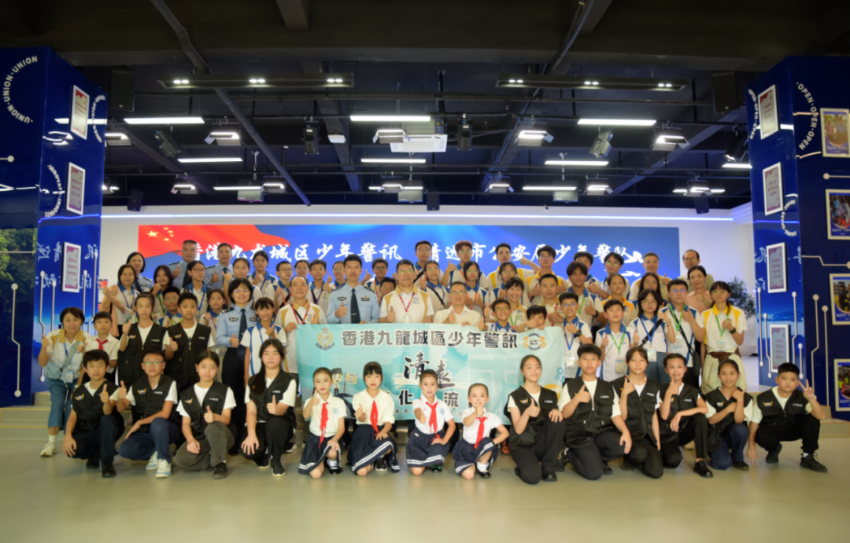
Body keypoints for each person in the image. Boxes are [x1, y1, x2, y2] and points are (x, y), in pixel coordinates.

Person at [558, 344, 630, 480]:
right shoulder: (570, 385)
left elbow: (615, 413)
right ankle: (568, 453)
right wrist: (576, 399)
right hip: (579, 435)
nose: (589, 362)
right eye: (585, 359)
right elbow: (563, 414)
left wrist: (625, 431)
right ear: (579, 363)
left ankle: (598, 459)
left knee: (623, 444)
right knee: (594, 474)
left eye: (593, 359)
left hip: (602, 432)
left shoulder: (608, 387)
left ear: (599, 363)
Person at [747, 363, 827, 473]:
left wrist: (811, 399)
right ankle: (773, 449)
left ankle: (807, 457)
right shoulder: (763, 398)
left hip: (793, 429)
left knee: (812, 419)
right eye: (784, 378)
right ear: (777, 380)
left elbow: (821, 416)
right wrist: (751, 447)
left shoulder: (803, 397)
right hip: (772, 429)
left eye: (792, 379)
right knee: (760, 435)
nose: (788, 382)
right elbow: (754, 423)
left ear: (798, 383)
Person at [114, 348, 182, 479]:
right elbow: (120, 408)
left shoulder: (170, 383)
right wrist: (120, 397)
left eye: (156, 362)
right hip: (145, 433)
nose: (152, 366)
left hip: (167, 430)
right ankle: (156, 451)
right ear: (142, 365)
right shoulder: (137, 385)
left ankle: (164, 460)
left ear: (163, 365)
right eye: (148, 362)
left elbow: (165, 413)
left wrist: (139, 422)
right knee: (124, 450)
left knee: (158, 422)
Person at [173, 351, 237, 479]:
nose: (207, 371)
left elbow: (227, 419)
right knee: (180, 459)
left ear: (217, 369)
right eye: (203, 366)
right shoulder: (187, 394)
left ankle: (220, 463)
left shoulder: (225, 390)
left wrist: (215, 417)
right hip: (201, 438)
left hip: (223, 434)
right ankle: (212, 458)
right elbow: (185, 423)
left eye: (212, 367)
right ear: (196, 368)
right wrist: (191, 440)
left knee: (213, 426)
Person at [38, 307, 91, 457]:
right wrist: (43, 347)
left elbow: (86, 365)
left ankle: (69, 439)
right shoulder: (53, 336)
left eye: (76, 319)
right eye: (68, 320)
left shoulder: (87, 338)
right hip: (56, 377)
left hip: (76, 377)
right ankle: (51, 443)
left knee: (72, 406)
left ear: (81, 320)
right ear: (62, 321)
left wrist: (79, 384)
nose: (72, 323)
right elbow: (42, 363)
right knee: (57, 403)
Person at [61, 351, 124, 477]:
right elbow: (73, 415)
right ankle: (94, 454)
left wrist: (106, 401)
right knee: (73, 449)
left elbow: (107, 411)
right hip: (88, 429)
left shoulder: (113, 388)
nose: (96, 369)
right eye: (91, 366)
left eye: (100, 365)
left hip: (108, 428)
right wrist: (67, 436)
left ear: (107, 367)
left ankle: (106, 462)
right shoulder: (78, 391)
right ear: (85, 369)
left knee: (107, 419)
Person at [240, 339, 297, 476]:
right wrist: (252, 435)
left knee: (275, 422)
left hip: (281, 424)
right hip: (259, 423)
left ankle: (275, 460)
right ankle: (263, 453)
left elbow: (283, 409)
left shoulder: (289, 381)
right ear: (261, 356)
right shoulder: (253, 381)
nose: (270, 357)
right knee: (249, 450)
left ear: (281, 357)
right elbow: (251, 412)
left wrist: (276, 409)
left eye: (275, 353)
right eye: (266, 353)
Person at [507, 355, 565, 484]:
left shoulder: (550, 394)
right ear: (522, 371)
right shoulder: (515, 396)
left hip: (541, 444)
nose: (534, 371)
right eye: (529, 367)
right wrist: (526, 413)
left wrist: (556, 410)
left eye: (537, 367)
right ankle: (523, 467)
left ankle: (548, 467)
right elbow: (518, 429)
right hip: (522, 445)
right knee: (533, 477)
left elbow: (553, 426)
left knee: (558, 420)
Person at [215, 278, 259, 448]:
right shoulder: (225, 314)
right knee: (232, 397)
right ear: (231, 294)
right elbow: (218, 338)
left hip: (253, 358)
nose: (242, 294)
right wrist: (228, 341)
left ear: (250, 293)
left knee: (250, 397)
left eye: (245, 290)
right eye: (237, 291)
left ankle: (249, 436)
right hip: (232, 358)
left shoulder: (256, 312)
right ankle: (233, 440)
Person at [657, 353, 713, 478]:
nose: (676, 371)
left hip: (684, 433)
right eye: (671, 367)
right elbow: (664, 416)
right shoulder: (660, 390)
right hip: (667, 435)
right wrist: (668, 394)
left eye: (679, 367)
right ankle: (661, 453)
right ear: (666, 370)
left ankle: (700, 461)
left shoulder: (692, 390)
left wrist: (680, 413)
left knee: (700, 418)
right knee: (673, 461)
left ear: (685, 369)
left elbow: (704, 409)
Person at [612, 347, 663, 478]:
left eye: (642, 360)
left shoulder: (654, 386)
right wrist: (624, 395)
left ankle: (641, 458)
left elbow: (654, 416)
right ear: (627, 362)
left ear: (647, 362)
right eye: (633, 360)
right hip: (626, 433)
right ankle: (631, 458)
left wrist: (657, 441)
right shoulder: (616, 385)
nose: (638, 364)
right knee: (639, 453)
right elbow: (621, 416)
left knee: (656, 472)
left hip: (646, 434)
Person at [349, 362, 400, 475]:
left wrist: (384, 431)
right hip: (363, 432)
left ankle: (380, 458)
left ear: (381, 378)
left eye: (376, 376)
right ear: (364, 378)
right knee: (362, 472)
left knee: (388, 446)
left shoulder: (387, 398)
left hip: (380, 429)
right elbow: (362, 419)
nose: (373, 380)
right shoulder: (358, 397)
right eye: (369, 377)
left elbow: (389, 422)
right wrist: (359, 414)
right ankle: (371, 460)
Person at [453, 383, 508, 479]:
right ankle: (471, 464)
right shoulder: (467, 412)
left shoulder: (491, 416)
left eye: (482, 396)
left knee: (487, 442)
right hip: (467, 449)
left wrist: (491, 443)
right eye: (474, 396)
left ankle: (482, 465)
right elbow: (467, 422)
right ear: (469, 399)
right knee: (469, 475)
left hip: (483, 448)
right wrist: (475, 413)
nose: (478, 399)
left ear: (487, 398)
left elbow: (505, 433)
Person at [299, 368, 347, 477]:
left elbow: (341, 427)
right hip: (315, 439)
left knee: (332, 452)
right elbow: (305, 416)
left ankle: (331, 460)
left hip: (332, 437)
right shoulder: (310, 401)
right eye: (318, 381)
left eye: (325, 380)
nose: (322, 384)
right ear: (314, 384)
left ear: (331, 381)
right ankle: (321, 459)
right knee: (316, 474)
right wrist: (311, 403)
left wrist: (335, 439)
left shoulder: (339, 402)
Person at [700, 281, 747, 394]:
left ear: (728, 294)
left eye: (722, 291)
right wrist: (703, 363)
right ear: (710, 295)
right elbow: (703, 342)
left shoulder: (738, 313)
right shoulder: (705, 314)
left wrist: (731, 328)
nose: (719, 294)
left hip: (732, 357)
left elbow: (740, 341)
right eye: (715, 291)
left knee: (735, 393)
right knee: (710, 393)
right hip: (711, 358)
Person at [704, 360, 751, 471]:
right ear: (719, 375)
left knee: (741, 429)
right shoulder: (711, 396)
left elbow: (739, 421)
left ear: (738, 375)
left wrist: (740, 400)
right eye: (724, 373)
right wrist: (728, 409)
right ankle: (719, 453)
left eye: (732, 373)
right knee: (722, 464)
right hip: (716, 436)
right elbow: (711, 421)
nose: (728, 377)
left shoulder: (746, 398)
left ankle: (737, 457)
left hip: (732, 434)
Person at [408, 369, 456, 475]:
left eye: (432, 384)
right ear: (420, 385)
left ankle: (433, 461)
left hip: (435, 437)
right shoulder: (418, 402)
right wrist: (420, 416)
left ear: (437, 385)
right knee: (417, 472)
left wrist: (444, 440)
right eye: (426, 384)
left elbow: (452, 425)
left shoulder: (442, 405)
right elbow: (417, 410)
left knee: (439, 446)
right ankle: (425, 460)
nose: (429, 388)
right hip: (420, 438)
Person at [660, 279, 706, 388]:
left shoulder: (693, 312)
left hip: (688, 362)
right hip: (668, 363)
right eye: (675, 290)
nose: (679, 293)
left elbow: (701, 338)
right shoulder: (662, 313)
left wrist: (691, 319)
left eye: (682, 290)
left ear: (686, 293)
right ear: (669, 294)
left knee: (690, 397)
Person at [117, 294, 171, 387]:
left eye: (147, 306)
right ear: (135, 308)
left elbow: (166, 355)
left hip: (152, 376)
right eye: (140, 306)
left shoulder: (161, 331)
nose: (144, 310)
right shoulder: (129, 328)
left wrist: (171, 347)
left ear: (152, 308)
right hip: (130, 376)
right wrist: (125, 333)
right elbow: (122, 349)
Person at [165, 292, 216, 391]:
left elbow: (208, 355)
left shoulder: (205, 331)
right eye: (185, 306)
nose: (189, 309)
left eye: (192, 306)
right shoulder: (171, 331)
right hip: (176, 379)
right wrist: (171, 349)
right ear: (179, 309)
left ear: (196, 308)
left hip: (199, 378)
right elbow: (167, 356)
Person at [276, 276, 325, 375]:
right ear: (290, 289)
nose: (299, 288)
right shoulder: (283, 311)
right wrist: (284, 330)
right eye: (295, 285)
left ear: (307, 288)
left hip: (313, 360)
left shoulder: (317, 309)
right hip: (289, 362)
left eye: (302, 285)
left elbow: (326, 335)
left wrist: (318, 327)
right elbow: (275, 338)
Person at [628, 289, 676, 385]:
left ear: (657, 303)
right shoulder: (634, 323)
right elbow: (631, 348)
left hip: (662, 357)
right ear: (640, 304)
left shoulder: (663, 321)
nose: (649, 304)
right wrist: (636, 344)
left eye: (653, 301)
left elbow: (672, 339)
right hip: (643, 358)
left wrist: (667, 319)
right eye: (645, 301)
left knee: (664, 387)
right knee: (646, 386)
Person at [242, 297, 286, 385]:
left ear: (273, 309)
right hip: (255, 372)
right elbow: (247, 355)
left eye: (268, 308)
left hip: (274, 372)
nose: (265, 312)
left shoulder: (279, 329)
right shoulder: (250, 330)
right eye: (261, 309)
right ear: (256, 312)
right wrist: (246, 374)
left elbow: (281, 351)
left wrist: (272, 335)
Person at [327, 254, 381, 324]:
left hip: (364, 333)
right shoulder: (334, 294)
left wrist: (368, 324)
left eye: (356, 267)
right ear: (344, 270)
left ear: (361, 270)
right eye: (349, 267)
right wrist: (336, 314)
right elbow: (328, 320)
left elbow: (377, 319)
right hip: (343, 334)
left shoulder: (371, 294)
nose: (353, 271)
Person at [380, 259, 434, 323]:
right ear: (396, 276)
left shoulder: (426, 296)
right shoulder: (387, 298)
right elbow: (381, 323)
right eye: (402, 271)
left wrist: (428, 322)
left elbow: (430, 320)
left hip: (417, 333)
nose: (406, 275)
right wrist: (387, 319)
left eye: (409, 271)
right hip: (397, 333)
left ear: (414, 275)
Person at [595, 299, 635, 381]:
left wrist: (636, 343)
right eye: (611, 310)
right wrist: (602, 346)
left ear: (623, 313)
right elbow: (599, 359)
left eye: (618, 310)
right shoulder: (600, 333)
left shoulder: (630, 332)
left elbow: (634, 356)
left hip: (626, 376)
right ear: (605, 314)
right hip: (606, 377)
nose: (615, 313)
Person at [559, 291, 592, 380]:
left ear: (577, 306)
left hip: (579, 369)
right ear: (561, 308)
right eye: (565, 305)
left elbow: (590, 345)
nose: (569, 307)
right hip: (561, 371)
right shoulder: (559, 327)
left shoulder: (582, 325)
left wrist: (577, 332)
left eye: (572, 304)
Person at [81, 311, 119, 384]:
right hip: (90, 375)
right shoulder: (89, 340)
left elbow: (114, 363)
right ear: (94, 326)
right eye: (99, 322)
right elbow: (86, 361)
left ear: (111, 325)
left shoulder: (115, 342)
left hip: (107, 376)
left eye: (106, 322)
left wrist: (96, 364)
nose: (103, 325)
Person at [565, 261, 606, 329]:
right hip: (566, 338)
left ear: (586, 276)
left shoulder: (593, 297)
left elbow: (604, 320)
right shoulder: (561, 297)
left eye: (581, 273)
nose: (578, 277)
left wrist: (594, 312)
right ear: (569, 277)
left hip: (587, 338)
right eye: (574, 274)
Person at [101, 264, 138, 335]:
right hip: (117, 326)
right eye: (124, 274)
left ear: (134, 276)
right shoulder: (113, 289)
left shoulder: (136, 293)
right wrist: (110, 295)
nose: (127, 277)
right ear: (119, 276)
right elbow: (104, 309)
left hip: (133, 326)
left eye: (130, 274)